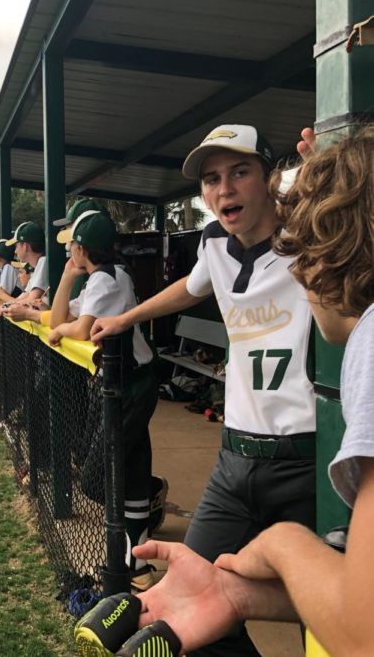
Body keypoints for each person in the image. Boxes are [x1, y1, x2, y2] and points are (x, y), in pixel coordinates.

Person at [99, 128, 374, 657]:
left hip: (306, 460)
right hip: (234, 459)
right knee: (191, 605)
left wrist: (325, 194)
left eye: (240, 172)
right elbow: (192, 287)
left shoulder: (312, 237)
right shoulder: (214, 246)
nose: (224, 189)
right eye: (211, 179)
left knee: (326, 626)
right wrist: (126, 318)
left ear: (271, 179)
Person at [50, 211, 160, 590]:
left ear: (82, 248)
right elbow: (57, 321)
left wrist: (62, 329)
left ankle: (150, 500)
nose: (71, 253)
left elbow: (73, 328)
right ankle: (137, 562)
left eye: (73, 248)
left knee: (99, 479)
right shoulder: (99, 277)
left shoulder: (109, 277)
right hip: (121, 384)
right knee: (127, 473)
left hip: (133, 384)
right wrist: (66, 277)